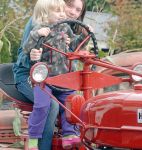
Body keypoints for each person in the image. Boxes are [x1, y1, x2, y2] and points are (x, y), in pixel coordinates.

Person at [12, 0, 87, 150]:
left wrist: (83, 38)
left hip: (57, 77)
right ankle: (40, 145)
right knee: (51, 104)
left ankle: (70, 135)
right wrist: (33, 55)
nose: (72, 12)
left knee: (75, 100)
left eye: (78, 10)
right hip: (32, 73)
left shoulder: (65, 28)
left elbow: (72, 49)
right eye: (69, 6)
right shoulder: (38, 24)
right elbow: (26, 52)